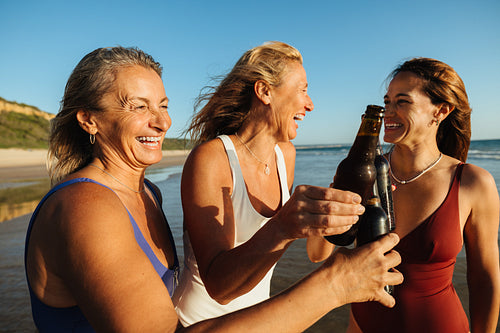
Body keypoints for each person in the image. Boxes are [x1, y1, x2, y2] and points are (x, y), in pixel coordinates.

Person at [24, 46, 403, 332]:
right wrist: (333, 287)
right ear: (89, 120)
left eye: (163, 104)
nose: (162, 122)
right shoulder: (85, 206)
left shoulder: (147, 193)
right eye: (138, 106)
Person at [173, 41, 367, 325]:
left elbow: (315, 255)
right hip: (199, 323)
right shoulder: (212, 158)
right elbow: (220, 287)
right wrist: (284, 226)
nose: (310, 104)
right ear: (264, 91)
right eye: (302, 89)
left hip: (258, 322)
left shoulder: (284, 155)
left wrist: (337, 205)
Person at [348, 58, 500, 333]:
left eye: (402, 102)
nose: (388, 112)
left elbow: (484, 279)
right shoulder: (366, 172)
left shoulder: (472, 183)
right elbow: (326, 253)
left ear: (440, 111)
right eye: (388, 100)